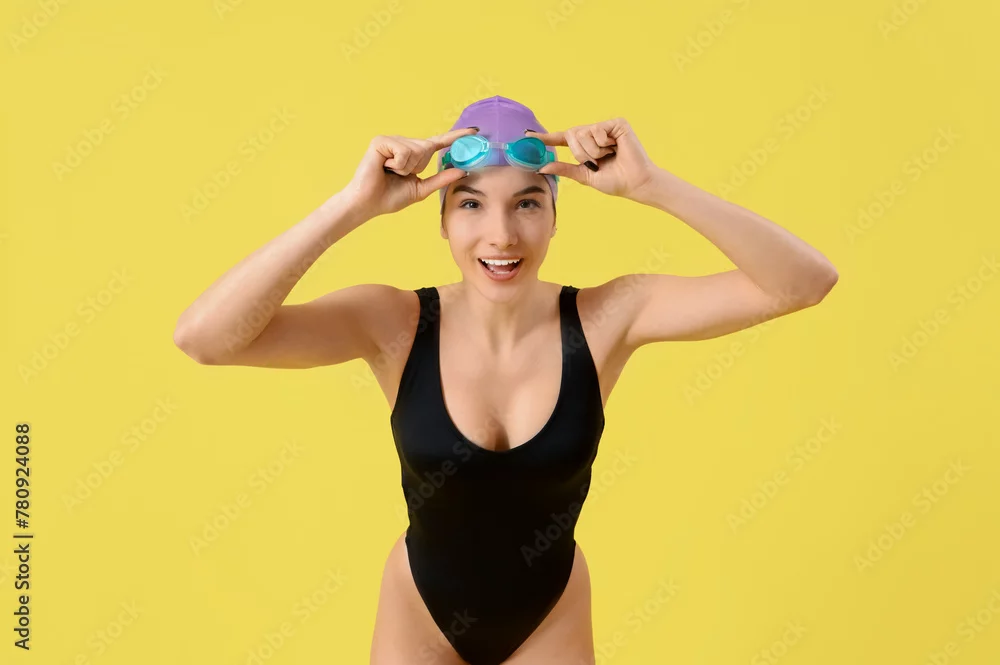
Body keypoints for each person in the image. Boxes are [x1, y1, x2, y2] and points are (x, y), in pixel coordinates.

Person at [173, 95, 838, 665]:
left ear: (554, 215)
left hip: (549, 618)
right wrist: (351, 207)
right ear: (441, 218)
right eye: (471, 204)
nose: (501, 235)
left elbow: (803, 282)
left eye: (526, 203)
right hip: (419, 617)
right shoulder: (394, 323)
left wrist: (652, 185)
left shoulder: (606, 317)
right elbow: (206, 338)